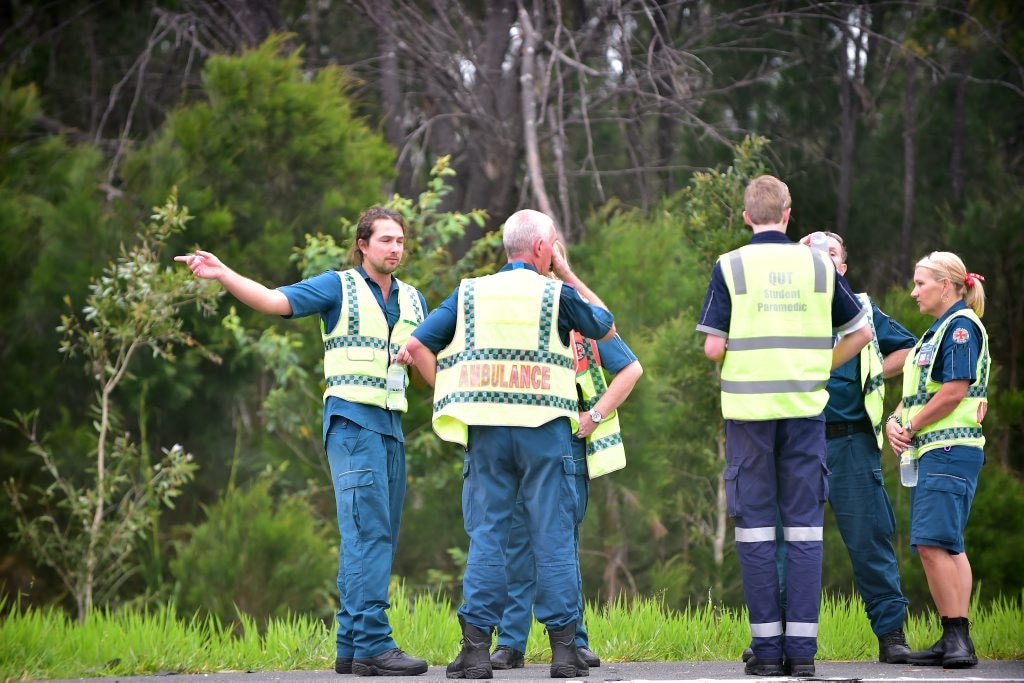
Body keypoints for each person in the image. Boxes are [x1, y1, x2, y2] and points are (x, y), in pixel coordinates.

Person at [176, 206, 430, 677]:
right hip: (353, 424)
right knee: (366, 532)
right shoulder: (339, 286)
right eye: (385, 240)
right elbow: (274, 301)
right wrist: (222, 273)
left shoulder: (414, 300)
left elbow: (431, 368)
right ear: (362, 244)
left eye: (400, 240)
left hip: (392, 425)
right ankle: (375, 642)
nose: (395, 248)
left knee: (380, 535)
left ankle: (353, 647)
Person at [400, 209, 615, 680]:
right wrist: (566, 271)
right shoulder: (557, 293)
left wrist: (450, 393)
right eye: (553, 245)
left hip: (487, 433)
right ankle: (564, 653)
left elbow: (416, 347)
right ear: (541, 248)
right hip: (545, 431)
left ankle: (476, 651)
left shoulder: (470, 291)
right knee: (552, 536)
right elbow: (604, 325)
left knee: (488, 537)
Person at [696, 175, 872, 678]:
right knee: (804, 529)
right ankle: (803, 656)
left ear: (747, 216)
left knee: (755, 532)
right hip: (804, 409)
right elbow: (859, 331)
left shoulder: (729, 266)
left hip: (748, 416)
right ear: (789, 214)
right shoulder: (819, 264)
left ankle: (767, 655)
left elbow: (713, 347)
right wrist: (818, 365)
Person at [490, 327, 642, 671]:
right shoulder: (513, 314)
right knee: (515, 544)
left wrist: (596, 415)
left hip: (565, 442)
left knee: (562, 545)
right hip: (518, 435)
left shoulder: (582, 325)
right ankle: (511, 643)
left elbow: (631, 367)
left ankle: (574, 639)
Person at [885, 252, 989, 670]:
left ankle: (956, 639)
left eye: (920, 283)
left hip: (949, 448)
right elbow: (922, 391)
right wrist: (896, 417)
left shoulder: (960, 328)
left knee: (931, 543)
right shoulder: (935, 332)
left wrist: (909, 426)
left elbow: (954, 391)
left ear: (946, 285)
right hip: (941, 451)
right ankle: (955, 637)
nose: (913, 291)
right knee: (949, 544)